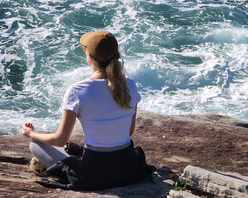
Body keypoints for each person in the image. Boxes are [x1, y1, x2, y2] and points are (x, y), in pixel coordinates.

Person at [22, 30, 154, 190]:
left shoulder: (77, 91)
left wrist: (30, 133)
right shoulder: (129, 85)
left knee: (35, 144)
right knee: (76, 147)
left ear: (89, 57)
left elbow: (59, 140)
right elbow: (129, 131)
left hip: (93, 175)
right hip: (129, 169)